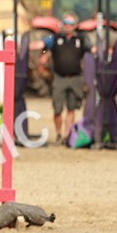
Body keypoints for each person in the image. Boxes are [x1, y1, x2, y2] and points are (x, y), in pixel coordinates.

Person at [41, 13, 86, 142]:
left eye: (71, 24)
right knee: (57, 109)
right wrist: (44, 55)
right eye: (65, 23)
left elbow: (90, 50)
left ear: (75, 26)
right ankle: (58, 134)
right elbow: (44, 46)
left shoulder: (80, 40)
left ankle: (68, 135)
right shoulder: (55, 38)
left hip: (75, 78)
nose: (68, 26)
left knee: (71, 108)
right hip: (59, 78)